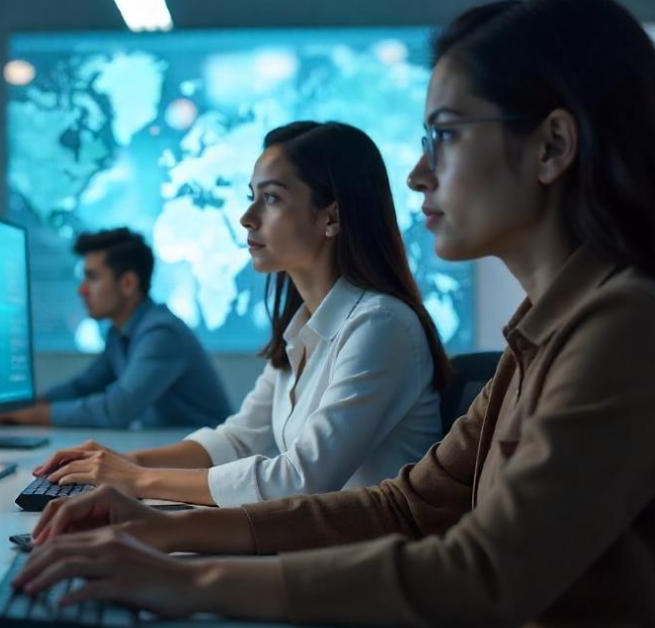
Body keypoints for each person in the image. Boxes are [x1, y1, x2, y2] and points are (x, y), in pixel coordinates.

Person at [12, 0, 655, 624]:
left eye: (443, 137)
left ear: (551, 148)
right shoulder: (548, 330)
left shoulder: (630, 328)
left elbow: (484, 575)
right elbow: (409, 507)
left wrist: (189, 579)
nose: (416, 175)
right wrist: (159, 530)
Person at [32, 121, 450, 507]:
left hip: (362, 569)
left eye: (270, 198)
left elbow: (300, 479)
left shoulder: (380, 326)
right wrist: (120, 461)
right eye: (252, 197)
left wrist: (137, 480)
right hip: (312, 548)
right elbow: (240, 440)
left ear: (332, 216)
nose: (247, 218)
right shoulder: (304, 327)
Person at [0, 228, 231, 429]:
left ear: (128, 284)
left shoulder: (162, 333)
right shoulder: (119, 334)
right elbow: (83, 387)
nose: (82, 290)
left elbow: (117, 410)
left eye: (92, 278)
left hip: (208, 467)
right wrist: (25, 403)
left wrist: (25, 415)